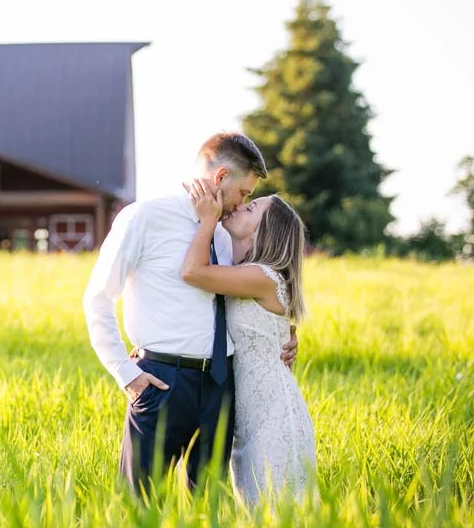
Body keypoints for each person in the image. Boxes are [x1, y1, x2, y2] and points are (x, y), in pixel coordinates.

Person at [83, 132, 297, 495]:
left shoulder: (228, 236)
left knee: (209, 506)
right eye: (243, 193)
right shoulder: (144, 217)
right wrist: (126, 373)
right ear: (220, 178)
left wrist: (284, 335)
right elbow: (99, 297)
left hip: (221, 384)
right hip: (162, 382)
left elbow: (253, 294)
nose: (243, 203)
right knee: (140, 505)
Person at [180, 180, 317, 505]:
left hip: (274, 420)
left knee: (275, 519)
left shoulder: (262, 276)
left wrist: (208, 220)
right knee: (258, 520)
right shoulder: (244, 273)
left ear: (262, 232)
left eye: (252, 207)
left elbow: (192, 272)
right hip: (249, 422)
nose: (241, 205)